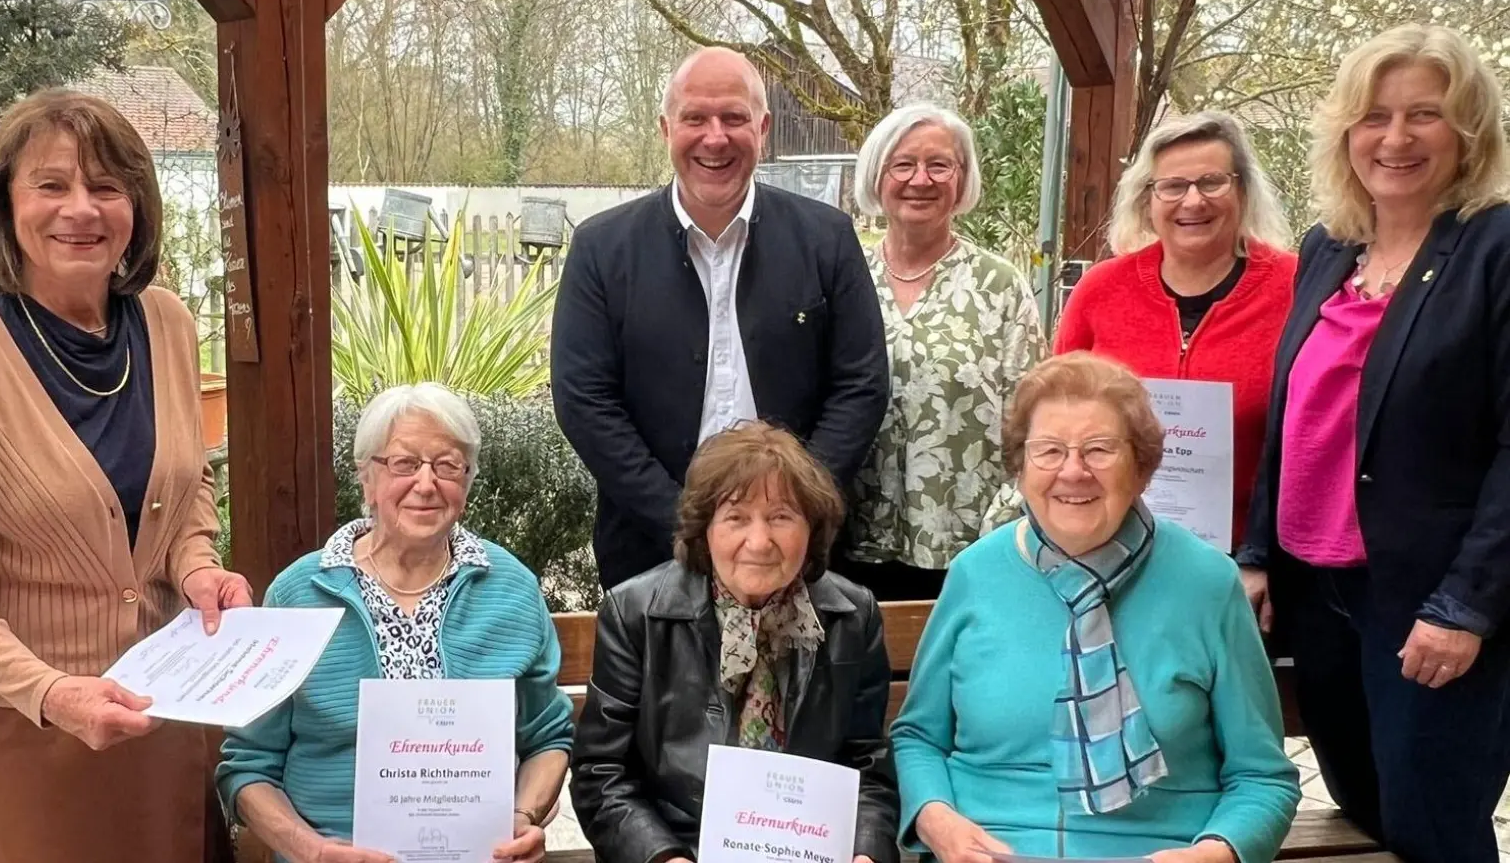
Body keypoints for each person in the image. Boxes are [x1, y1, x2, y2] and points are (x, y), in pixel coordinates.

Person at [0, 88, 250, 862]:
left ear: (137, 206)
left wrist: (197, 568)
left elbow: (185, 488)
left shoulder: (167, 323)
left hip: (166, 698)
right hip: (31, 724)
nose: (81, 209)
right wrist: (51, 691)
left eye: (106, 185)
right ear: (6, 204)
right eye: (51, 184)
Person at [1237, 24, 1510, 863]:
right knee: (1364, 811)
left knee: (1434, 830)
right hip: (1317, 594)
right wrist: (1257, 552)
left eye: (1424, 114)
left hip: (1430, 604)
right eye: (1374, 116)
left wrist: (1464, 606)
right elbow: (1294, 413)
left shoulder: (1496, 248)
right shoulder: (1328, 248)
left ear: (1469, 130)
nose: (1395, 138)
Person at [893, 352, 1300, 863]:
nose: (1073, 471)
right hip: (989, 850)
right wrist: (936, 820)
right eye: (1049, 451)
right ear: (1020, 467)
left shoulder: (1207, 583)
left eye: (1100, 450)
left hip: (1156, 852)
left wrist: (1214, 854)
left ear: (1143, 467)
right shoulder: (976, 574)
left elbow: (1263, 777)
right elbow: (918, 738)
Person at [551, 47, 889, 590]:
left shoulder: (826, 239)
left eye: (734, 118)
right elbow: (584, 400)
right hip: (648, 554)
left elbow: (861, 384)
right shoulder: (602, 248)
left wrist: (793, 510)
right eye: (695, 118)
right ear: (666, 129)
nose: (715, 138)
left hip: (799, 554)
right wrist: (684, 524)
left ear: (763, 129)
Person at [217, 383, 573, 863]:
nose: (426, 484)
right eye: (404, 463)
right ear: (366, 478)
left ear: (467, 482)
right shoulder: (298, 594)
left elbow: (547, 737)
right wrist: (312, 851)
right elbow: (249, 764)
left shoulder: (511, 588)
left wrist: (524, 816)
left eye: (448, 465)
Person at [570, 422, 899, 863]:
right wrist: (663, 857)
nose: (759, 542)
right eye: (736, 518)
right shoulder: (635, 612)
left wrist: (866, 853)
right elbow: (601, 773)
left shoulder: (853, 615)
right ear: (704, 530)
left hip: (810, 850)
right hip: (679, 846)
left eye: (781, 517)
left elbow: (868, 766)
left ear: (812, 529)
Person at [1054, 110, 1295, 554]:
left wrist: (1261, 558)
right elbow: (1057, 413)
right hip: (1112, 547)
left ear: (1242, 190)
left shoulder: (1297, 287)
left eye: (1212, 182)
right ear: (1147, 199)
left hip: (1252, 557)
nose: (1193, 201)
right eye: (1173, 186)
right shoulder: (1100, 291)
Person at [837, 103, 1046, 600]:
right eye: (903, 164)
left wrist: (1006, 523)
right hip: (847, 541)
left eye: (939, 165)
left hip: (969, 544)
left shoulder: (998, 286)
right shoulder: (842, 276)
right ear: (877, 176)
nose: (921, 180)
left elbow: (1035, 416)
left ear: (962, 178)